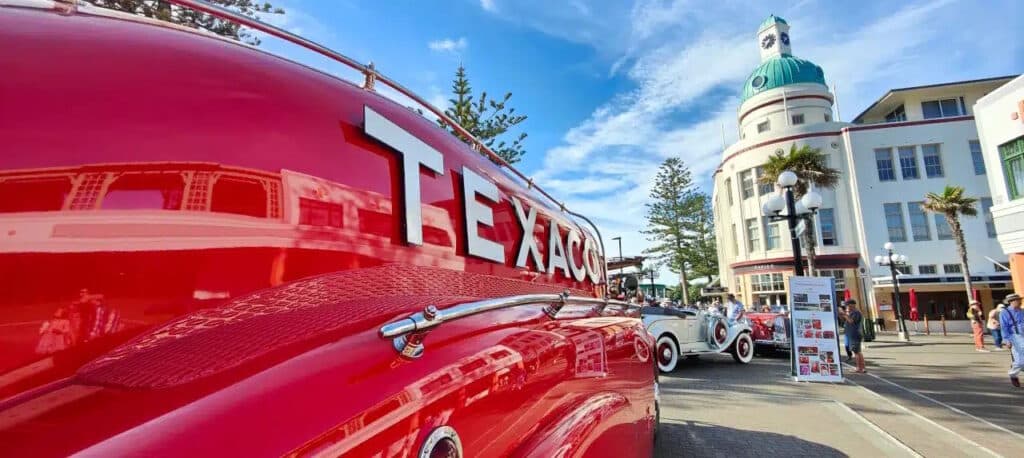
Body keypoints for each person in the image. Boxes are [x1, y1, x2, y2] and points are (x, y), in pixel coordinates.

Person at [1000, 293, 1024, 387]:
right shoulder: (1004, 312)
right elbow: (1004, 327)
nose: (1020, 301)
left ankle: (1015, 366)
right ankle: (1013, 374)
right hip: (1015, 337)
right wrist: (1007, 340)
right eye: (1018, 300)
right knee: (1021, 361)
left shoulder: (1022, 311)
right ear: (1012, 302)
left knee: (1020, 361)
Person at [840, 299, 866, 373]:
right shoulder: (852, 312)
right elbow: (847, 321)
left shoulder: (856, 313)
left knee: (857, 352)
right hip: (852, 335)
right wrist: (844, 315)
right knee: (857, 352)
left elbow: (851, 321)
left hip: (855, 334)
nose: (847, 307)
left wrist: (845, 314)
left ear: (852, 305)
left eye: (847, 305)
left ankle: (860, 368)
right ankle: (861, 368)